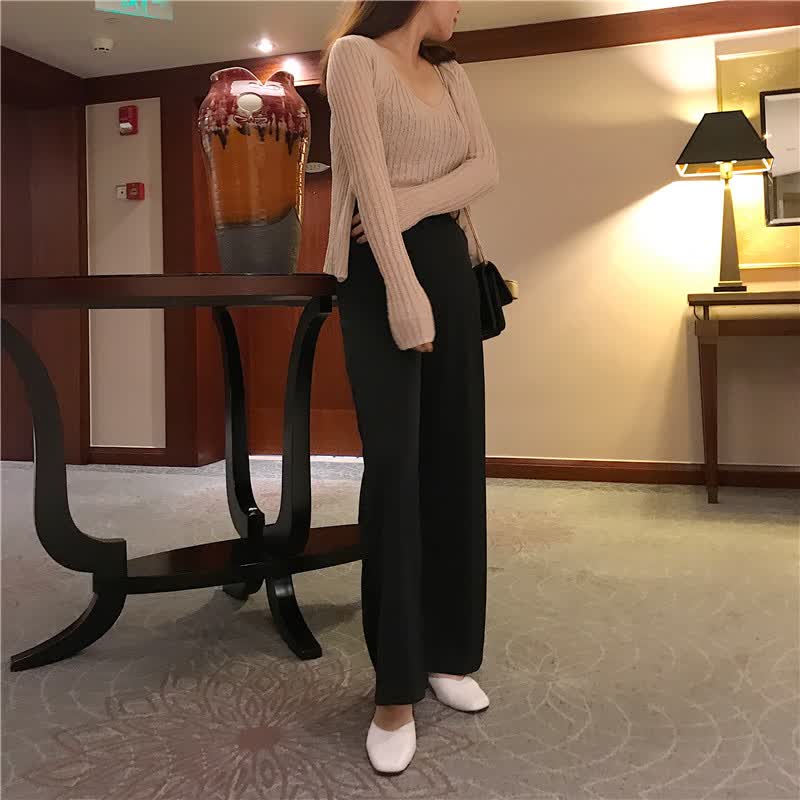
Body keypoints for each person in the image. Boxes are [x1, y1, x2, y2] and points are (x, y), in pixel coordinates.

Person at [320, 0, 499, 775]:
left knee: (455, 461)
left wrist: (417, 199)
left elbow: (486, 168)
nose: (463, 8)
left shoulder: (451, 75)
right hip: (379, 276)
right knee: (395, 471)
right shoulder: (354, 58)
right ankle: (395, 689)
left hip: (450, 269)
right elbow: (365, 182)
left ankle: (449, 653)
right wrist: (403, 293)